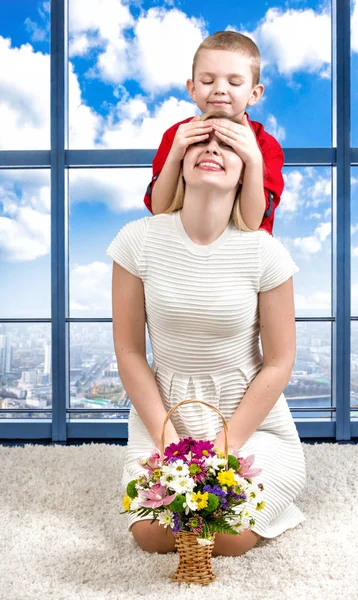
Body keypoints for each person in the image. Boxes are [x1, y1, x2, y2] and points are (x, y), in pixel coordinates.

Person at [107, 113, 306, 557]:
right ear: (178, 160)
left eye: (229, 145)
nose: (213, 149)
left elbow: (279, 361)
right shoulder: (135, 241)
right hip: (165, 415)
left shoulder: (265, 252)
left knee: (229, 534)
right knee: (153, 535)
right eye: (201, 141)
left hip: (251, 422)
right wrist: (169, 445)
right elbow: (129, 352)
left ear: (247, 173)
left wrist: (223, 449)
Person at [143, 31, 284, 235]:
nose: (219, 89)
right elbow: (160, 210)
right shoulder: (177, 135)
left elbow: (252, 224)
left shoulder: (266, 146)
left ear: (254, 94)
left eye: (234, 83)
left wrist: (253, 160)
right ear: (192, 89)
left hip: (242, 257)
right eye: (208, 81)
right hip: (182, 252)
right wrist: (175, 155)